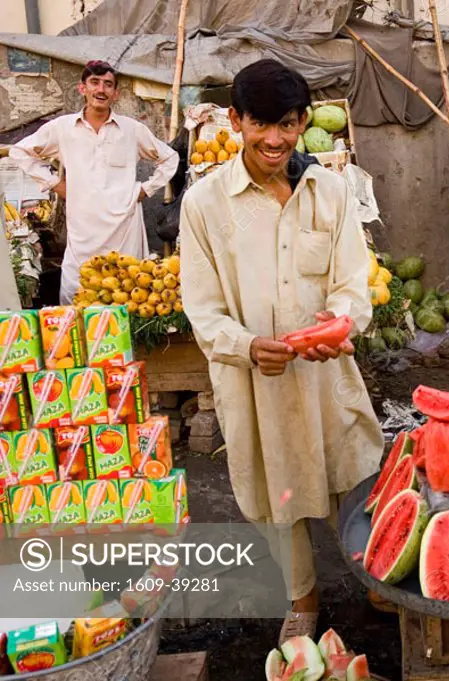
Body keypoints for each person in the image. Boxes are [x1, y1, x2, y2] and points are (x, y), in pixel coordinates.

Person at [179, 59, 384, 644]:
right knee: (276, 489)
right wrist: (245, 346)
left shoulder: (331, 189)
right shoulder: (205, 205)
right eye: (262, 124)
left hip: (328, 371)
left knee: (355, 470)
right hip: (255, 380)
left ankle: (374, 574)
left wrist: (339, 323)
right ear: (236, 120)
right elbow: (203, 306)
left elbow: (352, 279)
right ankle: (303, 596)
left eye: (289, 124)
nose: (275, 140)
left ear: (302, 124)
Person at [10, 60, 178, 304]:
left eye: (108, 85)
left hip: (124, 228)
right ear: (82, 89)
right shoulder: (62, 128)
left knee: (130, 293)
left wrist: (145, 189)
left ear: (116, 93)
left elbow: (170, 158)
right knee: (76, 294)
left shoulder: (132, 130)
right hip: (82, 229)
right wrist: (54, 183)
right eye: (95, 83)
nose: (101, 90)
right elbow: (19, 152)